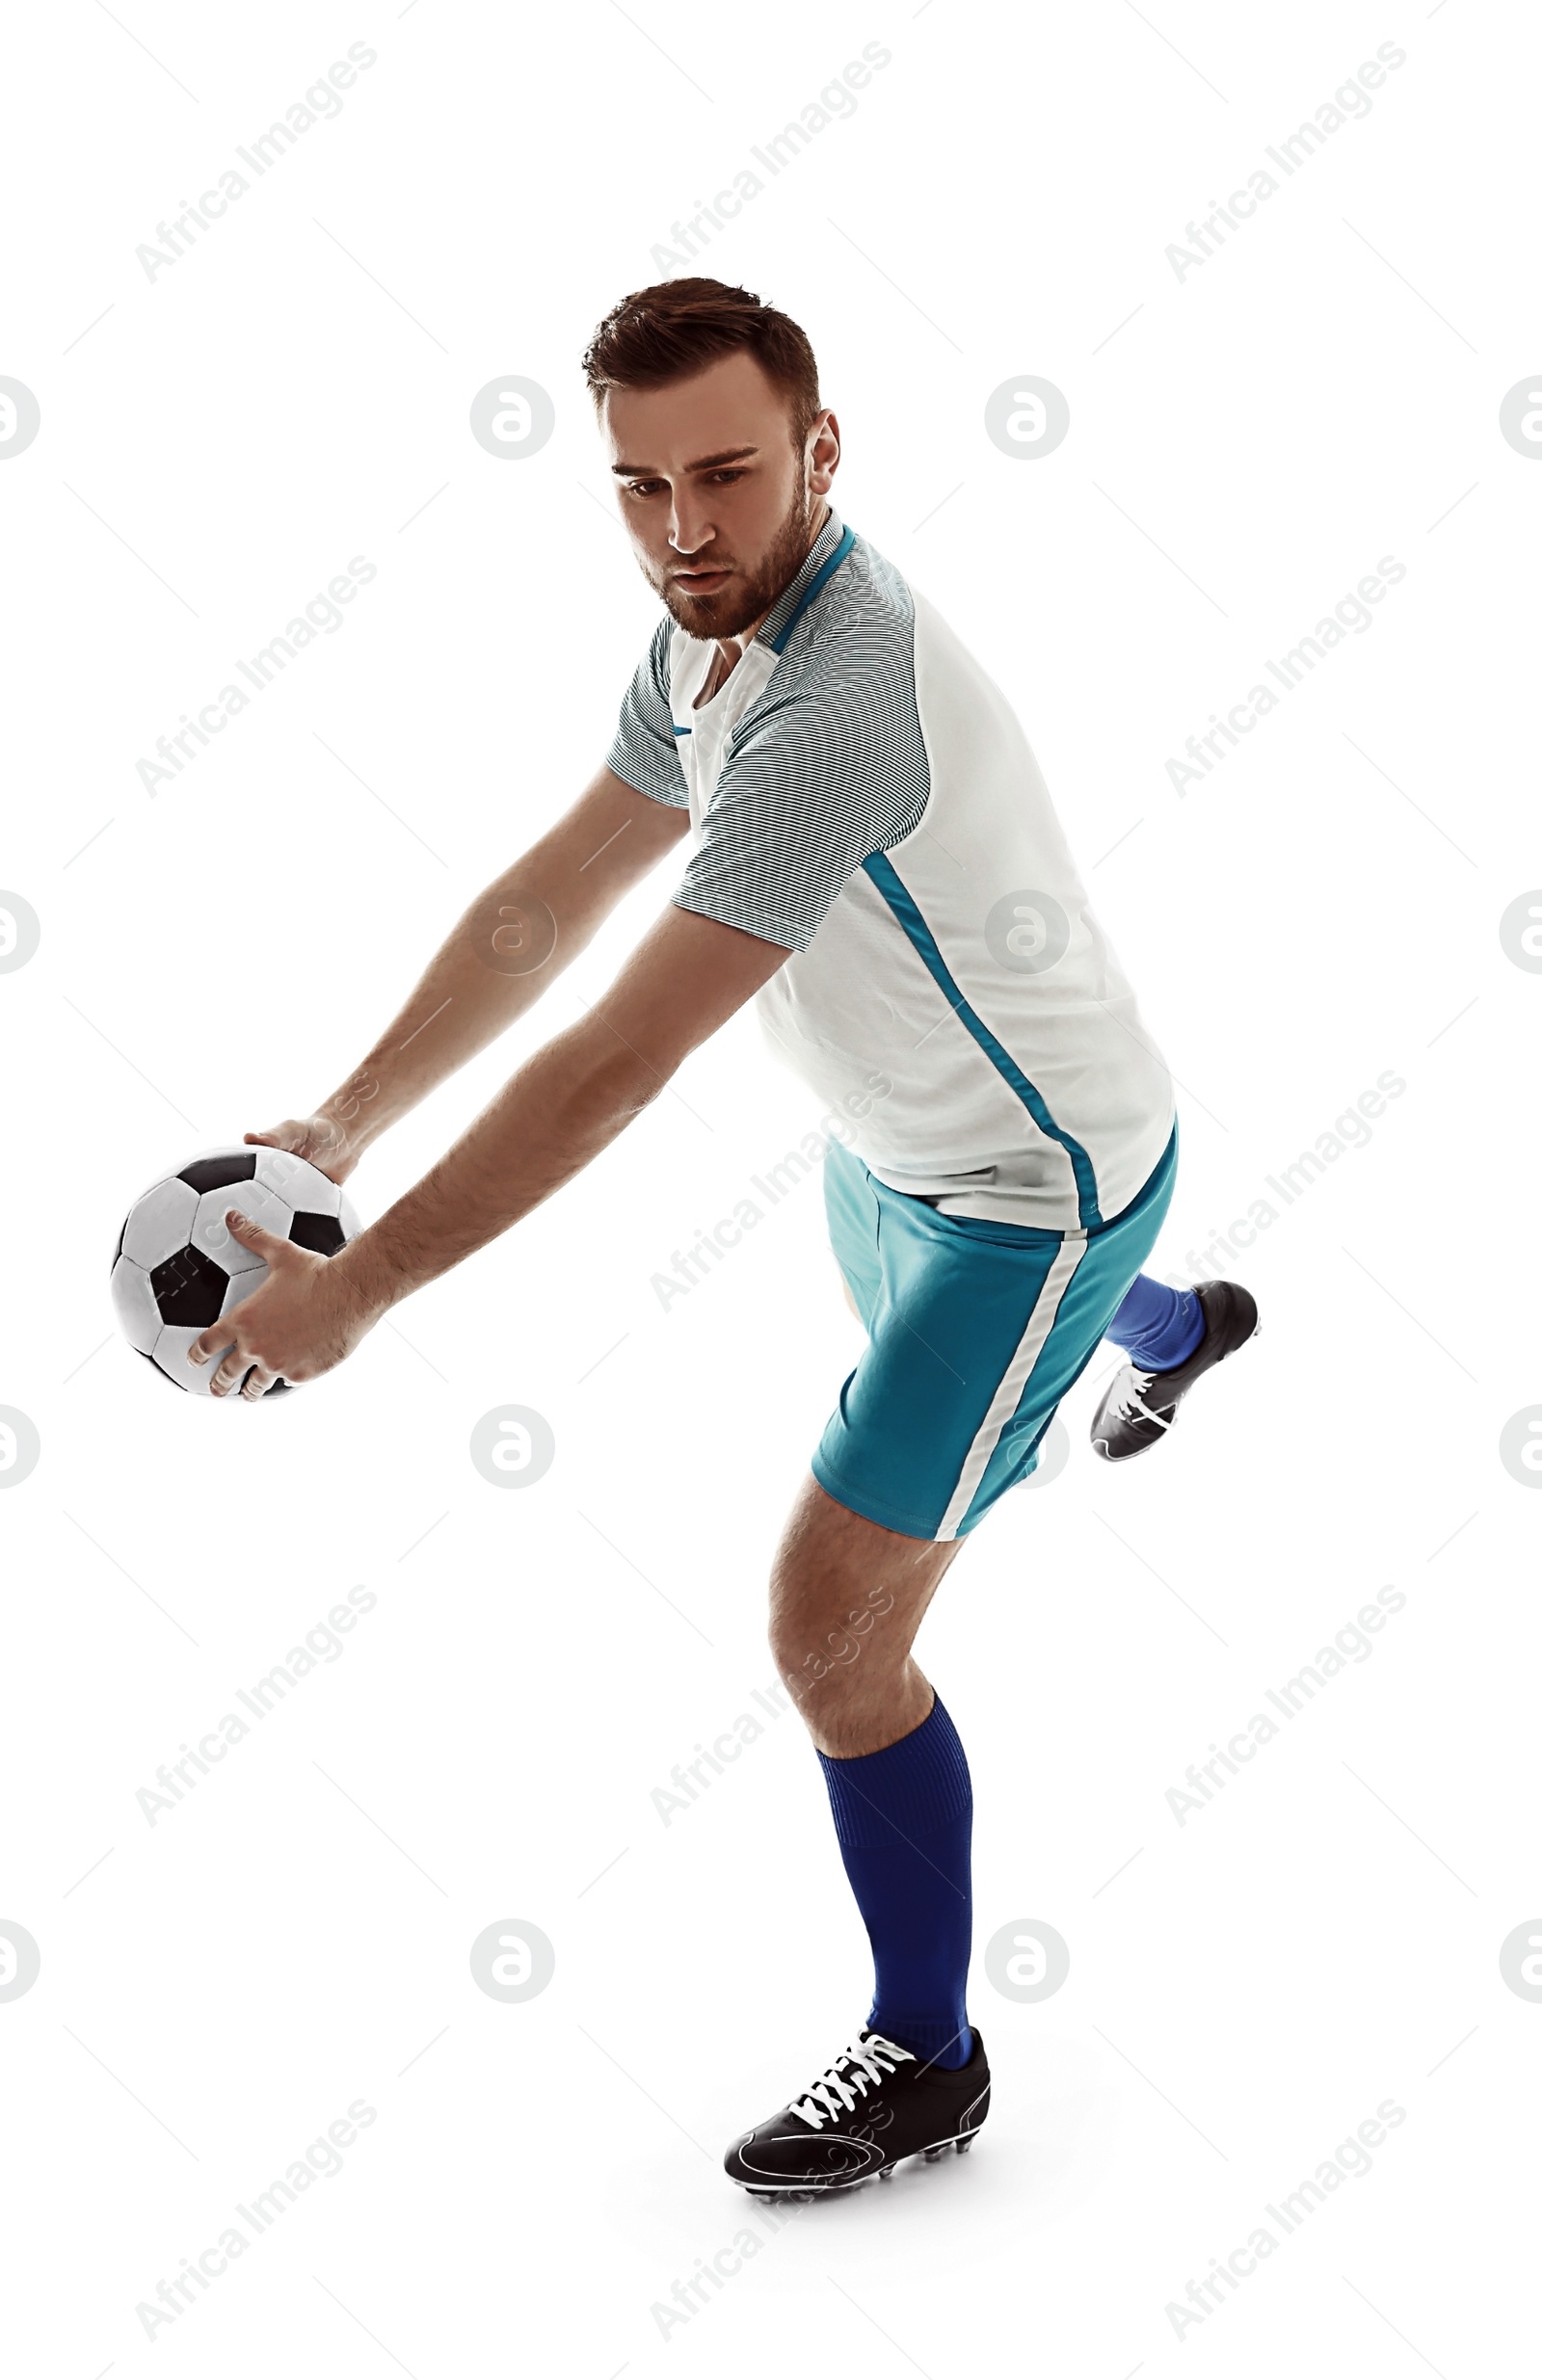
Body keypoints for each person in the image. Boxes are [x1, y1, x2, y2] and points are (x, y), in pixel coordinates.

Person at [187, 278, 1259, 2197]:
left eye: (728, 474)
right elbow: (547, 902)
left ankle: (926, 2049)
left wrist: (355, 1288)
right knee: (984, 1398)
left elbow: (611, 1058)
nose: (684, 528)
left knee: (829, 1630)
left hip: (1029, 1197)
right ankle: (1169, 1330)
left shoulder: (833, 708)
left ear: (821, 453)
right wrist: (343, 1117)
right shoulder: (695, 640)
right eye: (638, 485)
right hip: (892, 1151)